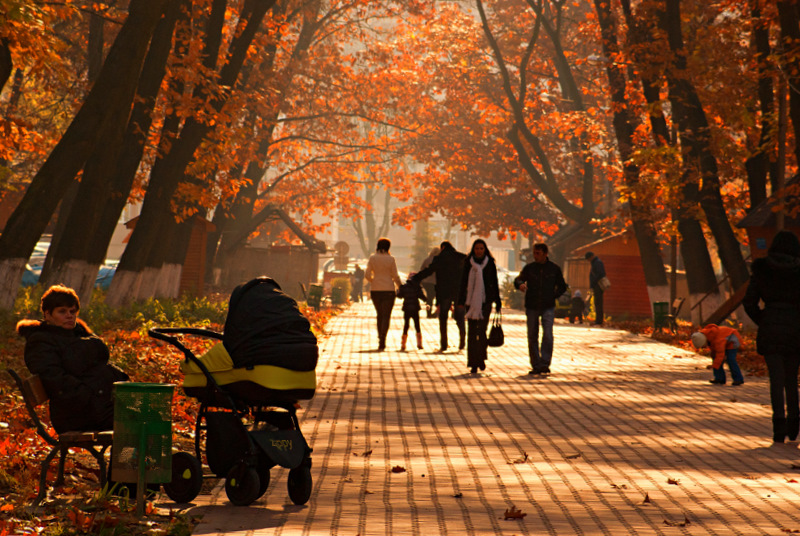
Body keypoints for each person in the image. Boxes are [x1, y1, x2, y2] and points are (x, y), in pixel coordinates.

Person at [16, 285, 129, 433]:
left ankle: (138, 456)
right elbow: (55, 380)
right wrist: (92, 394)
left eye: (72, 311)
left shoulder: (79, 334)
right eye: (62, 311)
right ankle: (133, 456)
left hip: (96, 407)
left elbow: (100, 356)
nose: (69, 315)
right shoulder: (40, 341)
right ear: (48, 314)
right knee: (133, 420)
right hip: (74, 415)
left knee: (144, 414)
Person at [743, 230, 800, 443]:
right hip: (796, 329)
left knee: (776, 378)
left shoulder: (762, 269)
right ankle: (794, 423)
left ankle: (778, 426)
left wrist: (764, 320)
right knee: (792, 378)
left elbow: (749, 302)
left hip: (771, 327)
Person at [514, 243, 568, 375]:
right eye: (534, 253)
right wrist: (520, 285)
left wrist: (553, 296)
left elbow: (562, 286)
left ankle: (545, 362)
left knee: (548, 334)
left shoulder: (554, 269)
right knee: (532, 335)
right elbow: (518, 280)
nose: (535, 256)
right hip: (532, 305)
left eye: (538, 253)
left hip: (548, 306)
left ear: (545, 254)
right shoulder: (530, 268)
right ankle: (536, 364)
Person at [457, 239, 502, 374]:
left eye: (481, 248)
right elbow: (463, 282)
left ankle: (481, 357)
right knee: (471, 331)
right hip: (470, 302)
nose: (479, 251)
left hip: (485, 302)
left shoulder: (490, 264)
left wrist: (497, 301)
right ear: (473, 249)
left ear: (485, 250)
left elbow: (494, 282)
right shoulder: (467, 263)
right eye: (477, 248)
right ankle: (472, 362)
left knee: (482, 331)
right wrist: (460, 300)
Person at [413, 241, 467, 352]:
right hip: (459, 292)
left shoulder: (439, 258)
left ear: (442, 248)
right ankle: (462, 341)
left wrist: (415, 278)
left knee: (443, 317)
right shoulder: (462, 257)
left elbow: (428, 271)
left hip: (444, 292)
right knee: (460, 316)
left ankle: (444, 344)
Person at [365, 237, 402, 351]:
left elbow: (367, 274)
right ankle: (383, 338)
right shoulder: (391, 259)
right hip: (388, 290)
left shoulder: (372, 258)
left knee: (379, 314)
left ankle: (379, 336)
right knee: (386, 315)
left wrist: (373, 281)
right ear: (388, 247)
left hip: (376, 289)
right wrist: (400, 286)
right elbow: (395, 275)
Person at [397, 272, 427, 351]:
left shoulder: (404, 287)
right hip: (415, 308)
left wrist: (398, 291)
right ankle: (419, 343)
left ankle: (403, 343)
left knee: (406, 325)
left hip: (406, 307)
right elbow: (422, 297)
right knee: (417, 325)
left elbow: (399, 296)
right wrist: (426, 301)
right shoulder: (417, 287)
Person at [585, 251, 606, 325]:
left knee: (598, 303)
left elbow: (601, 273)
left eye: (588, 259)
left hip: (598, 285)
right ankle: (598, 319)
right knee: (597, 303)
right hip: (596, 285)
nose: (588, 260)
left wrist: (594, 281)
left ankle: (599, 320)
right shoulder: (596, 262)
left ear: (591, 257)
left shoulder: (597, 263)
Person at [419, 247, 439, 318]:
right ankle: (431, 313)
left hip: (426, 282)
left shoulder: (427, 260)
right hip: (434, 282)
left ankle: (429, 312)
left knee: (429, 298)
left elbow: (421, 269)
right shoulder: (439, 260)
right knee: (431, 297)